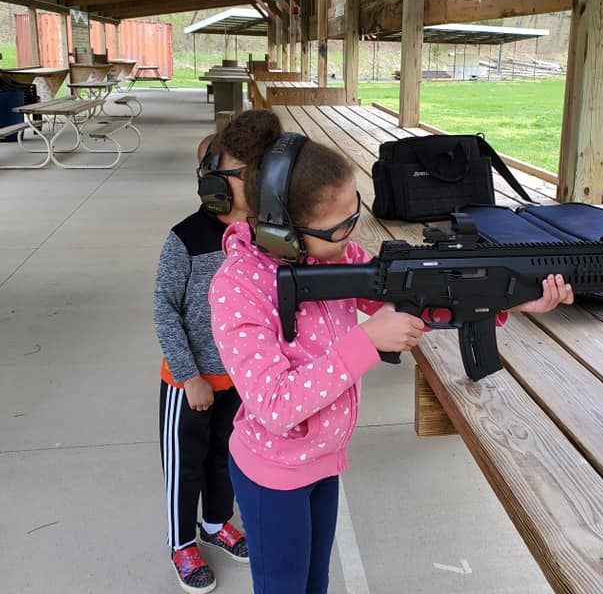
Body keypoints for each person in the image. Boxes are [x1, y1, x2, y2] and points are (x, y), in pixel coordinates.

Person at [208, 134, 574, 594]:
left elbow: (405, 290)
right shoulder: (237, 288)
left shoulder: (333, 253)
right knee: (282, 585)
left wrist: (516, 297)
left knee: (315, 580)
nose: (353, 238)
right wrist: (365, 341)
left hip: (323, 458)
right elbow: (275, 404)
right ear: (284, 230)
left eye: (354, 216)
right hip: (273, 472)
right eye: (339, 229)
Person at [154, 110, 283, 594]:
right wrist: (189, 376)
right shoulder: (185, 239)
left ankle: (215, 524)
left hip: (242, 380)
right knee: (185, 464)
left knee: (227, 461)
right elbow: (165, 310)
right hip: (190, 382)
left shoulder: (262, 236)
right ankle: (182, 541)